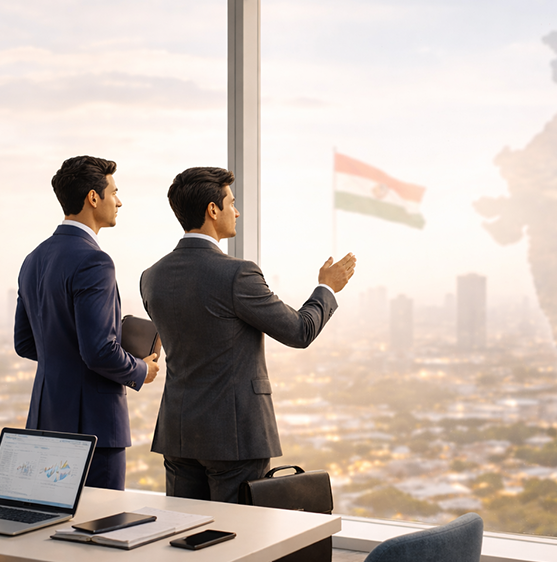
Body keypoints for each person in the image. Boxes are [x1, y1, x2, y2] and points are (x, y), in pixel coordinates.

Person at [140, 166, 355, 509]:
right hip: (235, 437)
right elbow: (300, 331)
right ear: (213, 210)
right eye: (231, 202)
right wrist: (326, 287)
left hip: (178, 432)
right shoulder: (237, 274)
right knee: (239, 541)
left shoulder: (151, 277)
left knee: (184, 535)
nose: (236, 211)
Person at [14, 155, 160, 490]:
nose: (119, 201)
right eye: (114, 192)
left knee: (51, 527)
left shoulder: (32, 259)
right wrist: (141, 370)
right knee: (98, 527)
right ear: (93, 198)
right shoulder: (94, 261)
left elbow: (25, 343)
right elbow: (98, 351)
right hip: (93, 428)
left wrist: (69, 353)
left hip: (44, 420)